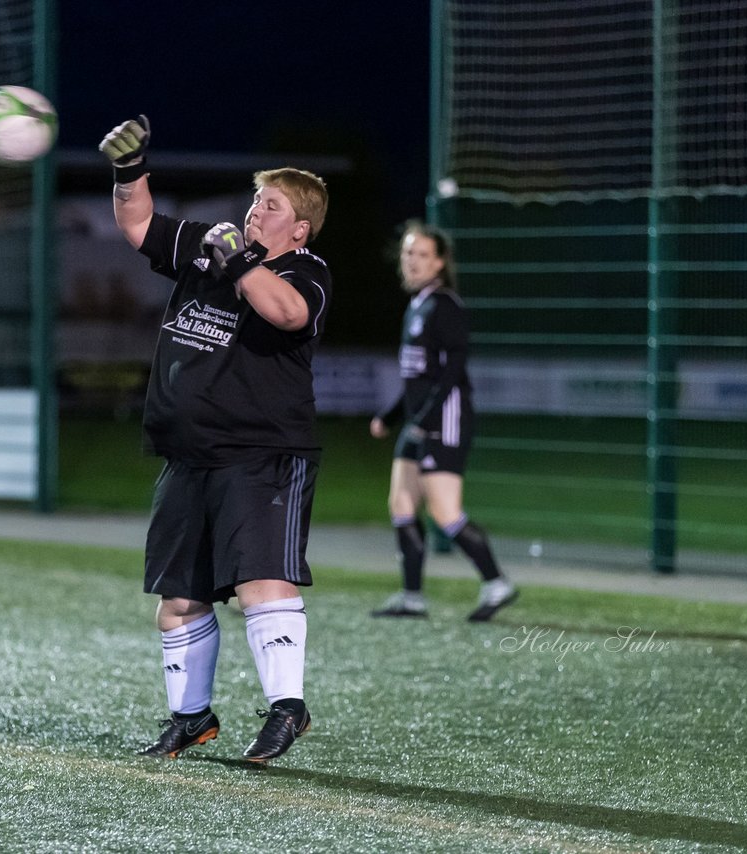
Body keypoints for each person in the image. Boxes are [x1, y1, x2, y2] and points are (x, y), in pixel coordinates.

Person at [98, 116, 332, 764]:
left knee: (263, 582)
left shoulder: (308, 271)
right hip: (188, 456)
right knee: (178, 603)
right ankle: (191, 718)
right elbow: (136, 223)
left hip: (261, 455)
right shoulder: (209, 245)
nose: (258, 209)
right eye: (257, 198)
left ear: (299, 229)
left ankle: (288, 708)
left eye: (273, 204)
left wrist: (241, 262)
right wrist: (128, 168)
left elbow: (286, 311)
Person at [369, 221, 517, 622]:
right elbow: (418, 378)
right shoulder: (417, 304)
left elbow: (452, 373)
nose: (412, 261)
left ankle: (496, 583)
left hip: (445, 419)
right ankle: (412, 598)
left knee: (446, 513)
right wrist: (391, 416)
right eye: (408, 253)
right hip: (419, 420)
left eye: (422, 255)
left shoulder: (446, 305)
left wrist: (425, 419)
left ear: (439, 262)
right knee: (400, 502)